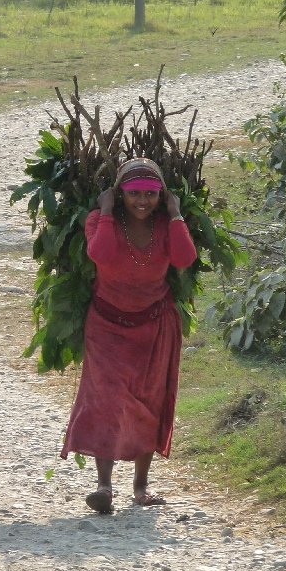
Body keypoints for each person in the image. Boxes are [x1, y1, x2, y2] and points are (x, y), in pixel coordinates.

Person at [60, 157, 198, 514]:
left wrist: (176, 213)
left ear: (161, 196)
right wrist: (106, 211)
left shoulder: (167, 225)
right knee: (105, 401)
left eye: (151, 194)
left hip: (154, 326)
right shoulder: (99, 221)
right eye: (134, 193)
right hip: (106, 327)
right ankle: (104, 486)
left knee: (148, 403)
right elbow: (101, 255)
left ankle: (140, 488)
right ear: (119, 194)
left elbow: (185, 259)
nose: (142, 201)